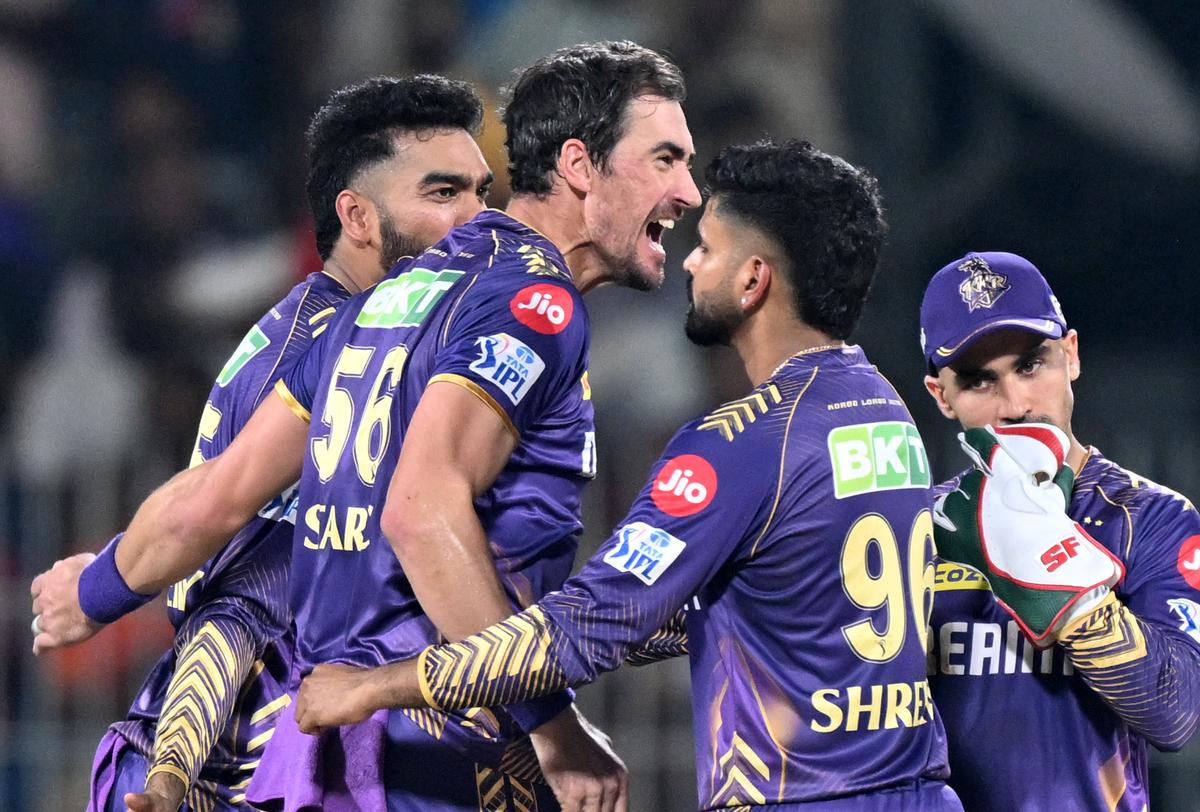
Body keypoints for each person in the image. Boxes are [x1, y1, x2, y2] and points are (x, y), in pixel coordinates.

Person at [31, 40, 701, 812]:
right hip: (432, 743)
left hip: (329, 745)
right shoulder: (532, 306)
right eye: (664, 159)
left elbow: (214, 497)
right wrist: (551, 728)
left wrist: (95, 588)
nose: (687, 188)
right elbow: (420, 517)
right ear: (582, 167)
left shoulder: (379, 303)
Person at [292, 140, 965, 811]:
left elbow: (593, 627)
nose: (691, 264)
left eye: (708, 248)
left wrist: (374, 686)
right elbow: (780, 605)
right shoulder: (882, 409)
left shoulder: (741, 443)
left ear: (753, 279)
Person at [36, 74, 495, 812]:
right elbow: (237, 593)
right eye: (445, 195)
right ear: (360, 217)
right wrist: (170, 774)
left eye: (482, 191)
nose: (480, 220)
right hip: (253, 763)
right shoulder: (318, 362)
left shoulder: (369, 340)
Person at [916, 251, 1200, 810]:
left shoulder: (1153, 518)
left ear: (1070, 356)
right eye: (979, 381)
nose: (1017, 405)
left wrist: (1059, 573)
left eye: (1030, 365)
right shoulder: (914, 526)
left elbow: (1178, 713)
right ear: (941, 396)